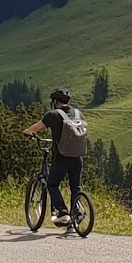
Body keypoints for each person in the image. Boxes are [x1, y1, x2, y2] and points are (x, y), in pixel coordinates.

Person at [23, 88, 88, 227]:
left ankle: (63, 212)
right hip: (78, 157)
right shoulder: (78, 114)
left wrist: (27, 132)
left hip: (62, 157)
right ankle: (76, 215)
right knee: (76, 188)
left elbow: (36, 128)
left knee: (52, 184)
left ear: (55, 101)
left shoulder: (52, 114)